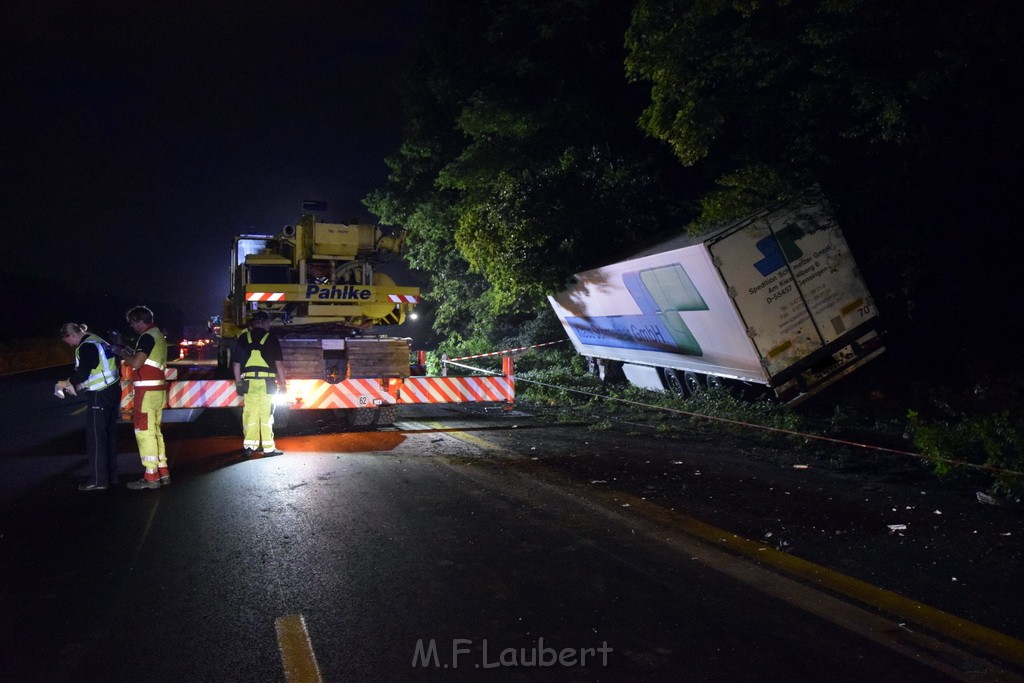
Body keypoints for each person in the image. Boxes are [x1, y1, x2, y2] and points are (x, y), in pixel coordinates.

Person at [56, 323, 122, 491]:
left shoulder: (86, 347)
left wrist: (66, 383)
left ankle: (99, 480)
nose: (69, 345)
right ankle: (111, 476)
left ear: (71, 335)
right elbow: (99, 370)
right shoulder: (99, 341)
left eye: (67, 341)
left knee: (96, 439)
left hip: (99, 396)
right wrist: (78, 387)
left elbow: (83, 372)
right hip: (112, 391)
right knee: (109, 436)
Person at [118, 306, 169, 489]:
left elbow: (137, 362)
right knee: (155, 432)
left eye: (132, 322)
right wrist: (125, 346)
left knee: (144, 433)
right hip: (157, 390)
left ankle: (150, 477)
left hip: (146, 392)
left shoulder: (147, 336)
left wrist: (121, 353)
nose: (132, 326)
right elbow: (145, 358)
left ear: (140, 320)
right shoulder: (157, 336)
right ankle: (162, 471)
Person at [232, 311, 287, 456]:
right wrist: (283, 384)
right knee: (266, 414)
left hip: (249, 383)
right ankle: (268, 448)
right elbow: (279, 364)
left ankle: (250, 446)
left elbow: (236, 364)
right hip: (267, 383)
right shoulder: (271, 339)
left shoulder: (243, 338)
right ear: (264, 322)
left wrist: (238, 383)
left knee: (251, 413)